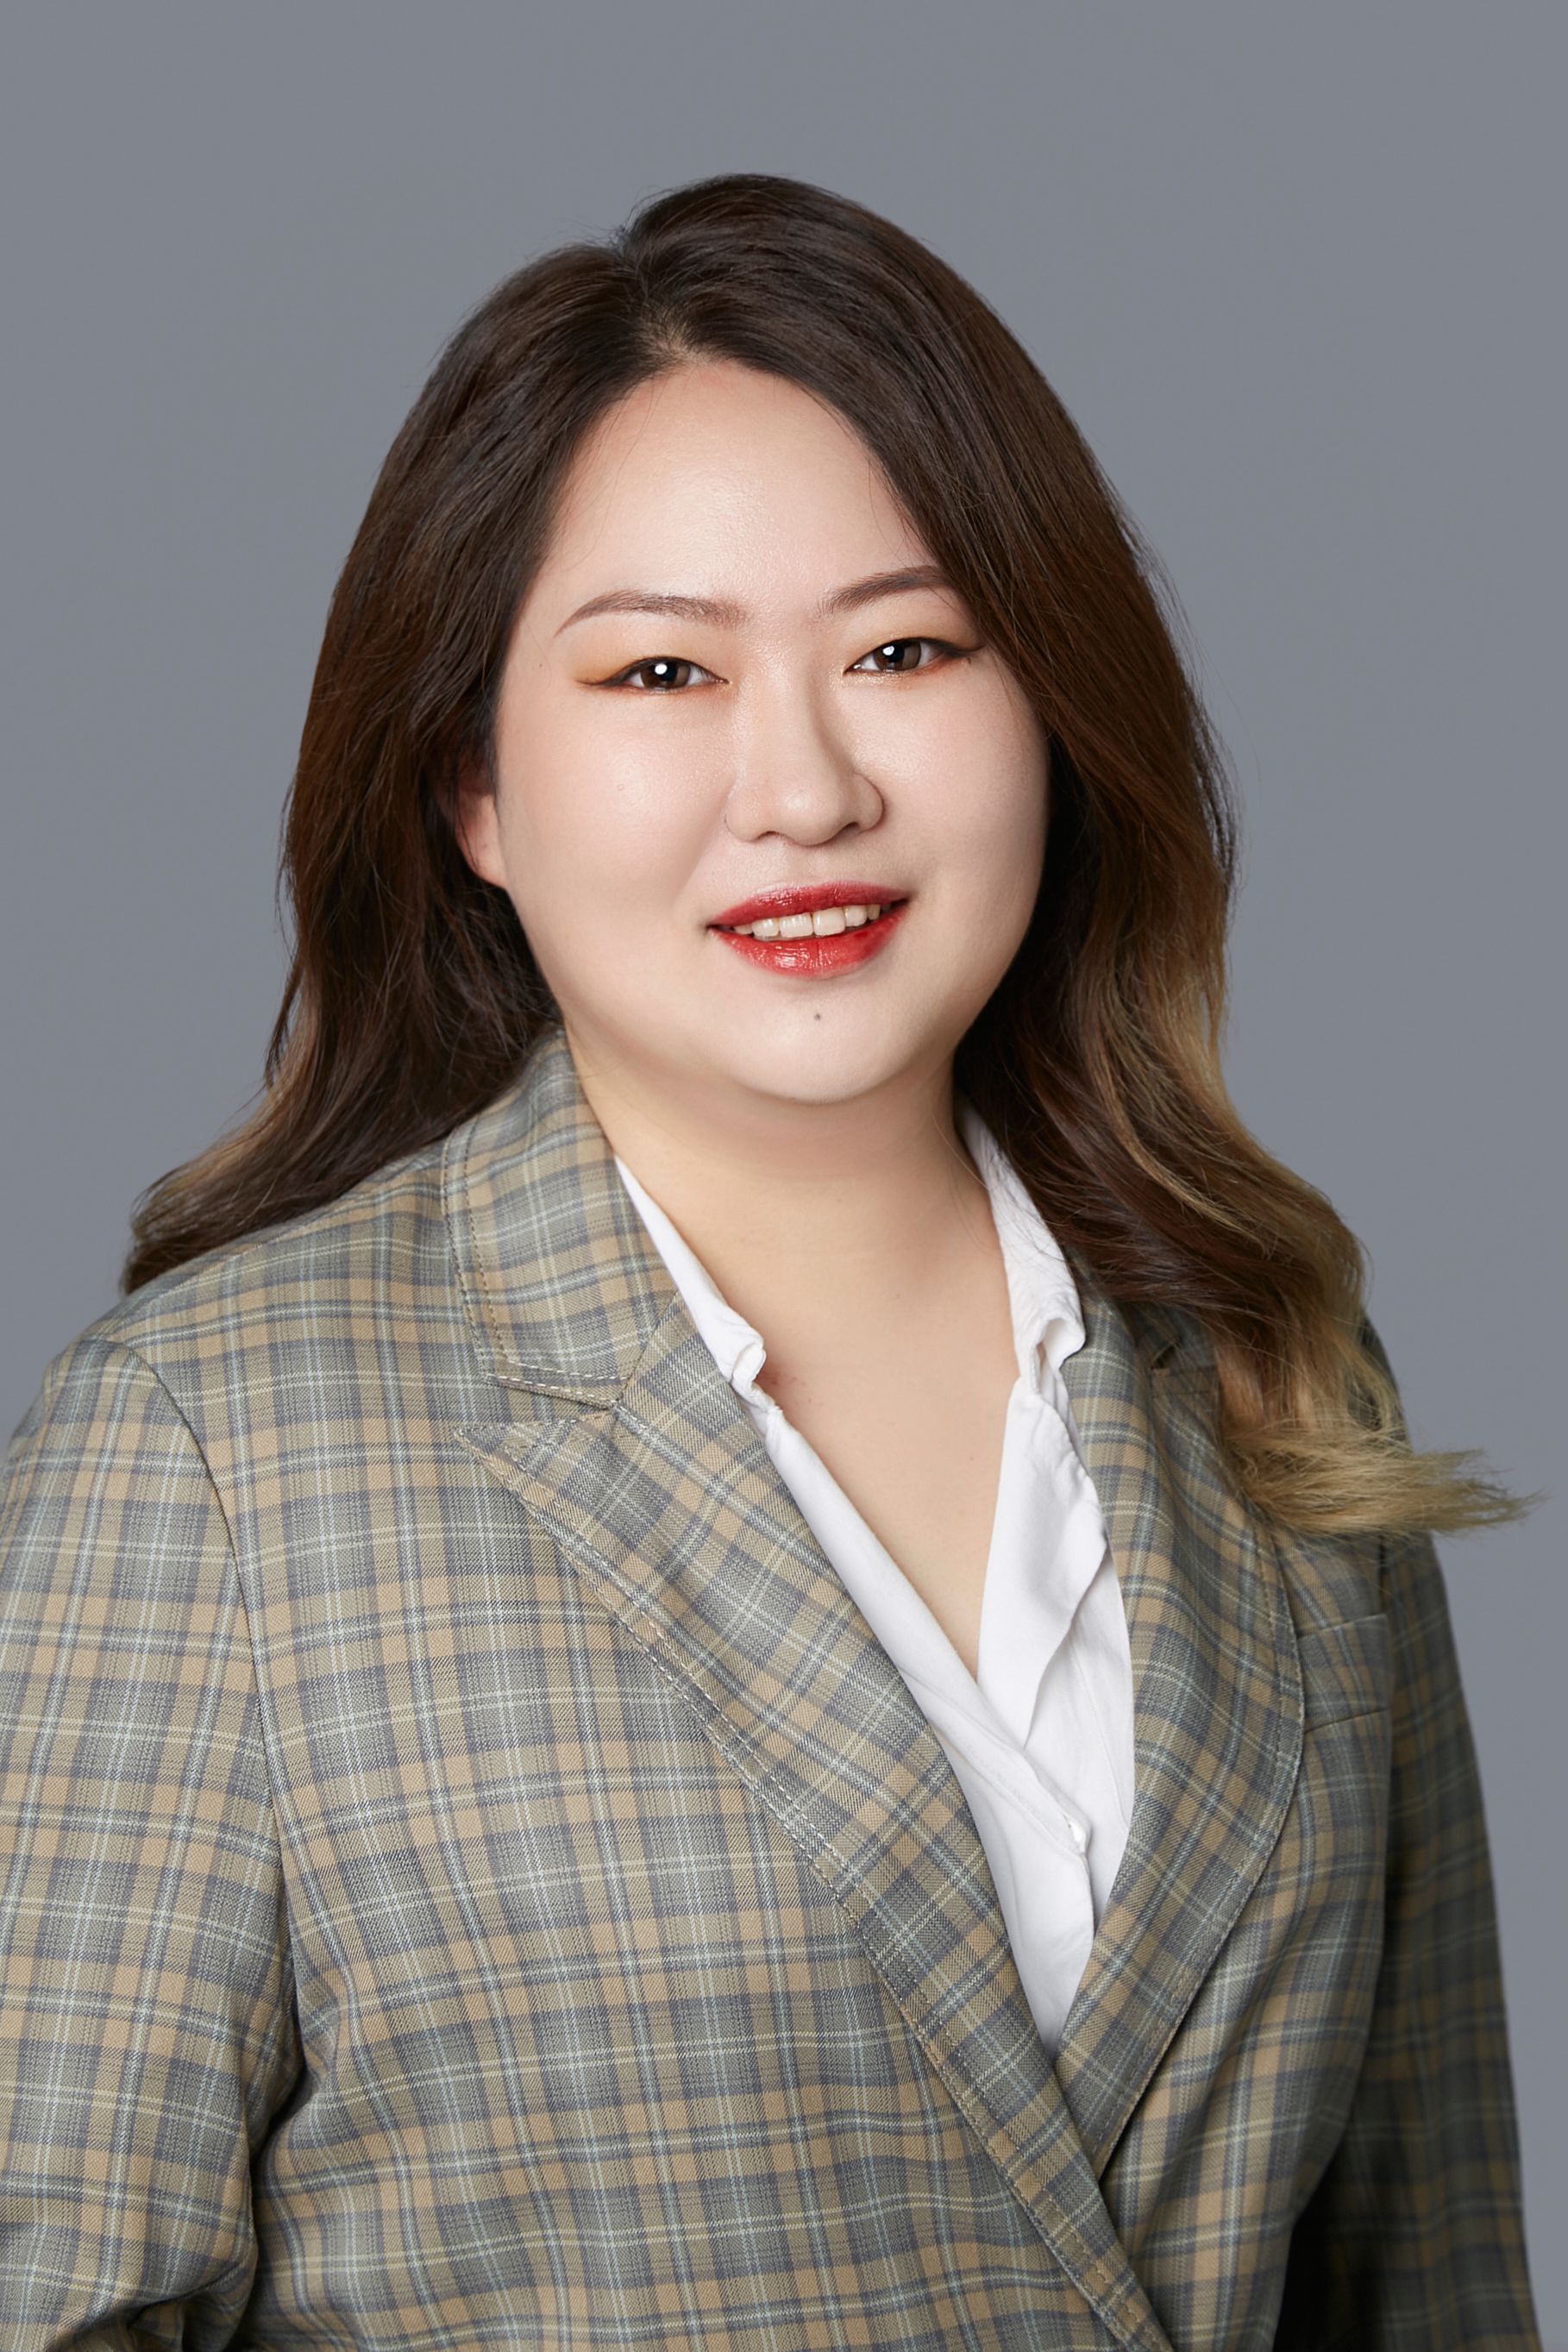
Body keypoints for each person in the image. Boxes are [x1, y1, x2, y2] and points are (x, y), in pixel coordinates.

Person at [0, 172, 1540, 2350]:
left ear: (1052, 705)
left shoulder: (1277, 1363)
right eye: (662, 670)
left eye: (906, 650)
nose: (804, 787)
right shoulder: (213, 1447)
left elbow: (1437, 2273)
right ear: (475, 789)